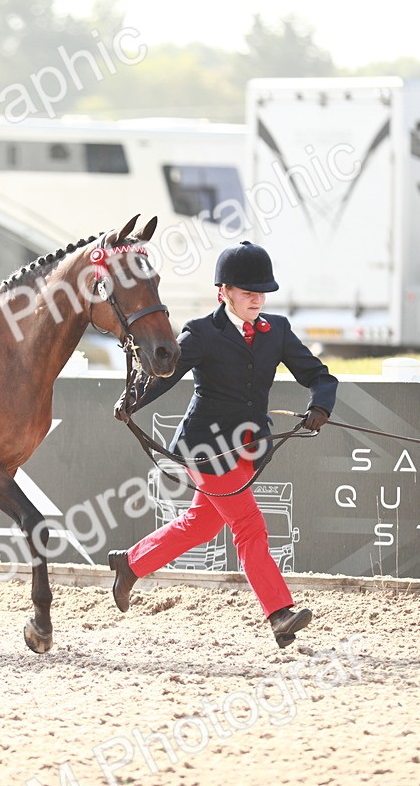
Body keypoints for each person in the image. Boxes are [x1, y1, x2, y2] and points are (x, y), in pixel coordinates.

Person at [107, 240, 337, 648]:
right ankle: (280, 614)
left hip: (248, 447)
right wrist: (133, 402)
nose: (258, 299)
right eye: (248, 292)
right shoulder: (202, 332)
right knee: (249, 526)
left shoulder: (277, 330)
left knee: (202, 522)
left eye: (262, 292)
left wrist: (319, 407)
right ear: (223, 292)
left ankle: (131, 563)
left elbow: (319, 375)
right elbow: (167, 374)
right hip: (207, 448)